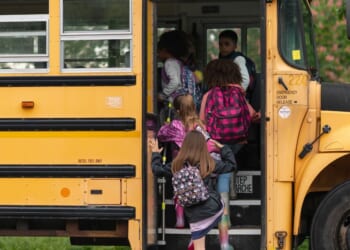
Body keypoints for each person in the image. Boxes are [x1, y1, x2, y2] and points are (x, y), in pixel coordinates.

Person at [149, 130, 237, 250]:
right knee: (219, 211)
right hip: (213, 207)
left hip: (194, 212)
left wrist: (155, 154)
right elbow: (231, 165)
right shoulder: (207, 162)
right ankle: (221, 242)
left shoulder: (177, 164)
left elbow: (157, 169)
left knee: (199, 245)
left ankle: (195, 239)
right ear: (202, 146)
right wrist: (223, 148)